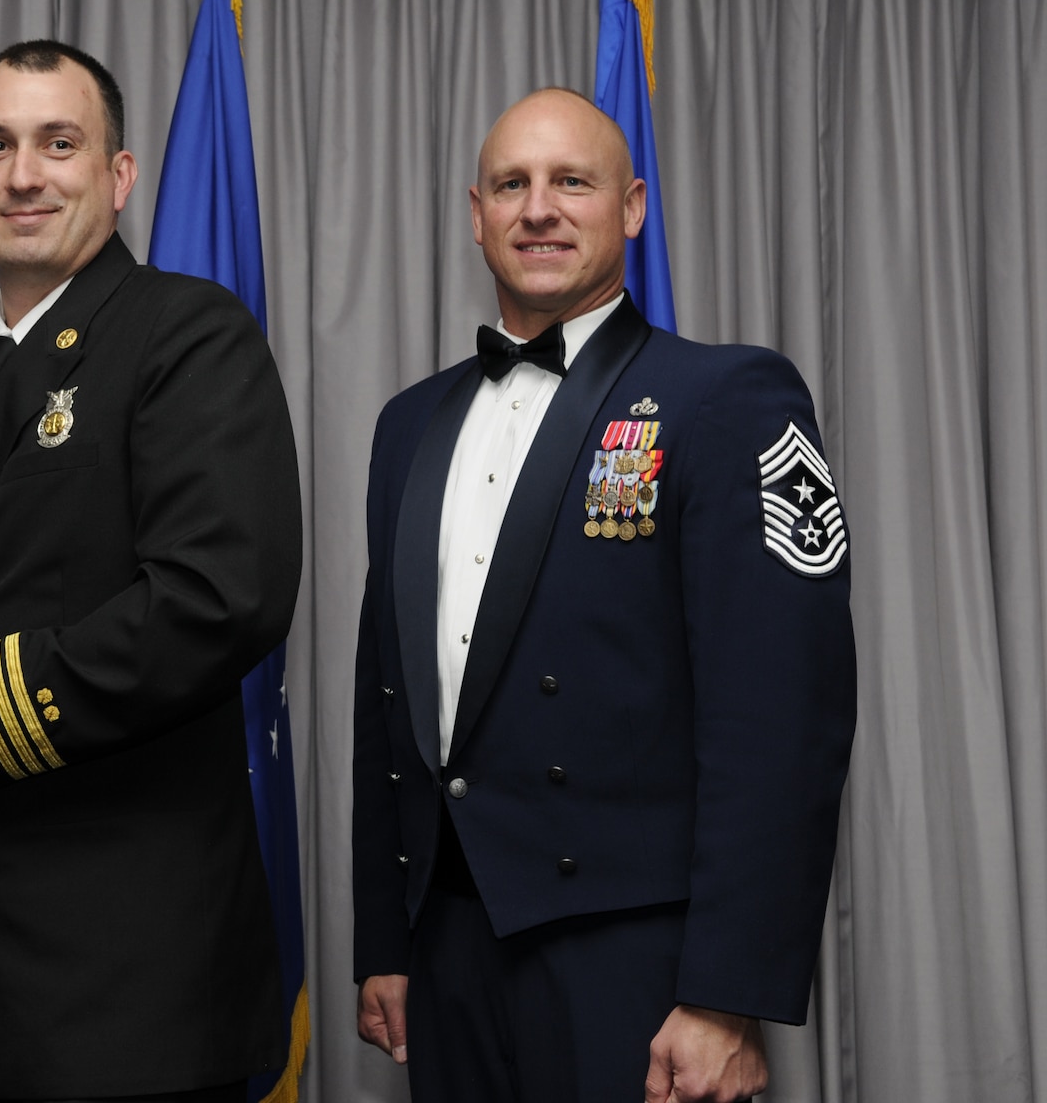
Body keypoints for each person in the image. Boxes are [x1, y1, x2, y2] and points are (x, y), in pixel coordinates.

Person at [350, 89, 857, 1103]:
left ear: (630, 207)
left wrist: (725, 993)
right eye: (511, 184)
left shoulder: (725, 398)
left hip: (640, 955)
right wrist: (384, 940)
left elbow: (781, 716)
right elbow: (386, 696)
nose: (538, 207)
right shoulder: (409, 422)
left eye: (570, 182)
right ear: (476, 214)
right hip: (447, 944)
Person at [0, 40, 303, 1101]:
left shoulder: (186, 333)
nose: (24, 175)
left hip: (126, 971)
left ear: (118, 175)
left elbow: (218, 599)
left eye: (58, 143)